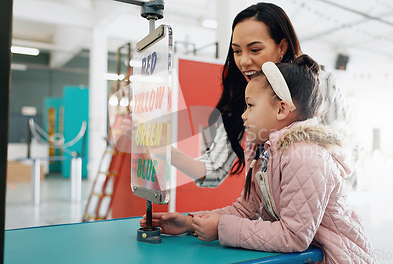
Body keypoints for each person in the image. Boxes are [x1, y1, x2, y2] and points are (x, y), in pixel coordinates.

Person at [141, 56, 376, 263]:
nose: (244, 114)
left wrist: (221, 228)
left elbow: (294, 237)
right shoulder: (267, 151)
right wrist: (192, 223)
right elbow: (247, 209)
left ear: (282, 110)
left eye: (250, 105)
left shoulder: (305, 156)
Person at [172, 2, 350, 188]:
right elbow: (214, 170)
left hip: (316, 207)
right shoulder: (245, 95)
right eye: (237, 51)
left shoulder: (322, 83)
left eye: (255, 50)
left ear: (282, 47)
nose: (244, 61)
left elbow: (342, 154)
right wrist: (164, 153)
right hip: (267, 211)